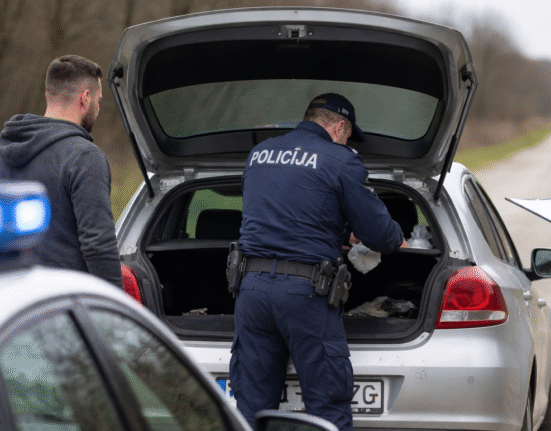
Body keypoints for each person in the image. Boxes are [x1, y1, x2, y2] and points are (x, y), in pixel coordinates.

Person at [230, 93, 404, 430]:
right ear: (338, 126)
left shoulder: (259, 154)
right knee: (328, 409)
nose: (347, 142)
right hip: (305, 295)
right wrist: (396, 236)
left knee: (250, 410)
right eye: (348, 135)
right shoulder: (340, 160)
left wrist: (334, 232)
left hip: (250, 291)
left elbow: (282, 211)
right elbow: (381, 234)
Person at [0, 55, 123, 288]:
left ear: (49, 94)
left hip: (10, 299)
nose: (98, 109)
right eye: (98, 100)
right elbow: (98, 245)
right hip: (61, 301)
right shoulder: (85, 157)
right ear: (85, 98)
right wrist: (114, 301)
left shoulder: (4, 149)